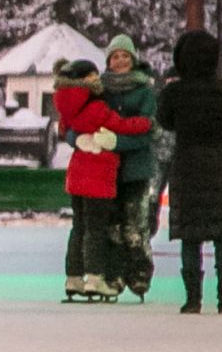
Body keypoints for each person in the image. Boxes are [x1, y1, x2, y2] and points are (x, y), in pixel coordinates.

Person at [156, 30, 222, 314]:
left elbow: (165, 121)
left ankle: (193, 300)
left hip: (187, 167)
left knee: (190, 236)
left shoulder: (174, 92)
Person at [52, 59, 153, 303]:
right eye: (94, 75)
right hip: (99, 176)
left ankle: (73, 277)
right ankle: (95, 277)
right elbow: (121, 125)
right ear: (87, 79)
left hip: (77, 175)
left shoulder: (67, 106)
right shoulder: (96, 106)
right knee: (96, 229)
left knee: (79, 227)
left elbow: (64, 131)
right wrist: (146, 122)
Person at [99, 35, 160, 299]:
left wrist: (117, 141)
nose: (120, 61)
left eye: (125, 56)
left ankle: (139, 275)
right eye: (115, 57)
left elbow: (147, 131)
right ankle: (114, 275)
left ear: (133, 59)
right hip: (108, 170)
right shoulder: (102, 91)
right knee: (112, 227)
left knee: (135, 227)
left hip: (136, 168)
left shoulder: (145, 91)